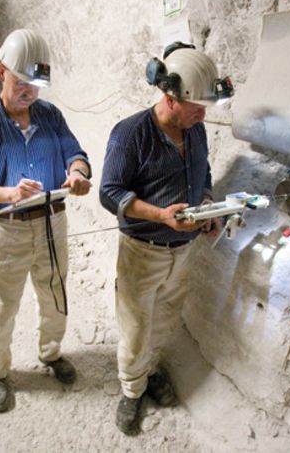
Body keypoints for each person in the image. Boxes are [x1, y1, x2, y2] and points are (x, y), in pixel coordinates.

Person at [99, 42, 232, 434]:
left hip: (183, 251)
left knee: (165, 319)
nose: (203, 114)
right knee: (137, 325)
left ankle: (150, 369)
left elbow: (202, 174)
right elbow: (110, 192)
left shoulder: (196, 131)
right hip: (143, 252)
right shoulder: (130, 134)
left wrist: (206, 207)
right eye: (196, 106)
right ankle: (131, 389)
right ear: (171, 98)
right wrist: (159, 215)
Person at [0, 28, 92, 413]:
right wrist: (9, 193)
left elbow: (75, 153)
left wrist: (78, 173)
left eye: (36, 85)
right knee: (1, 305)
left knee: (55, 296)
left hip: (52, 223)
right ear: (2, 72)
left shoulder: (50, 116)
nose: (29, 92)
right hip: (7, 228)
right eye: (21, 82)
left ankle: (50, 354)